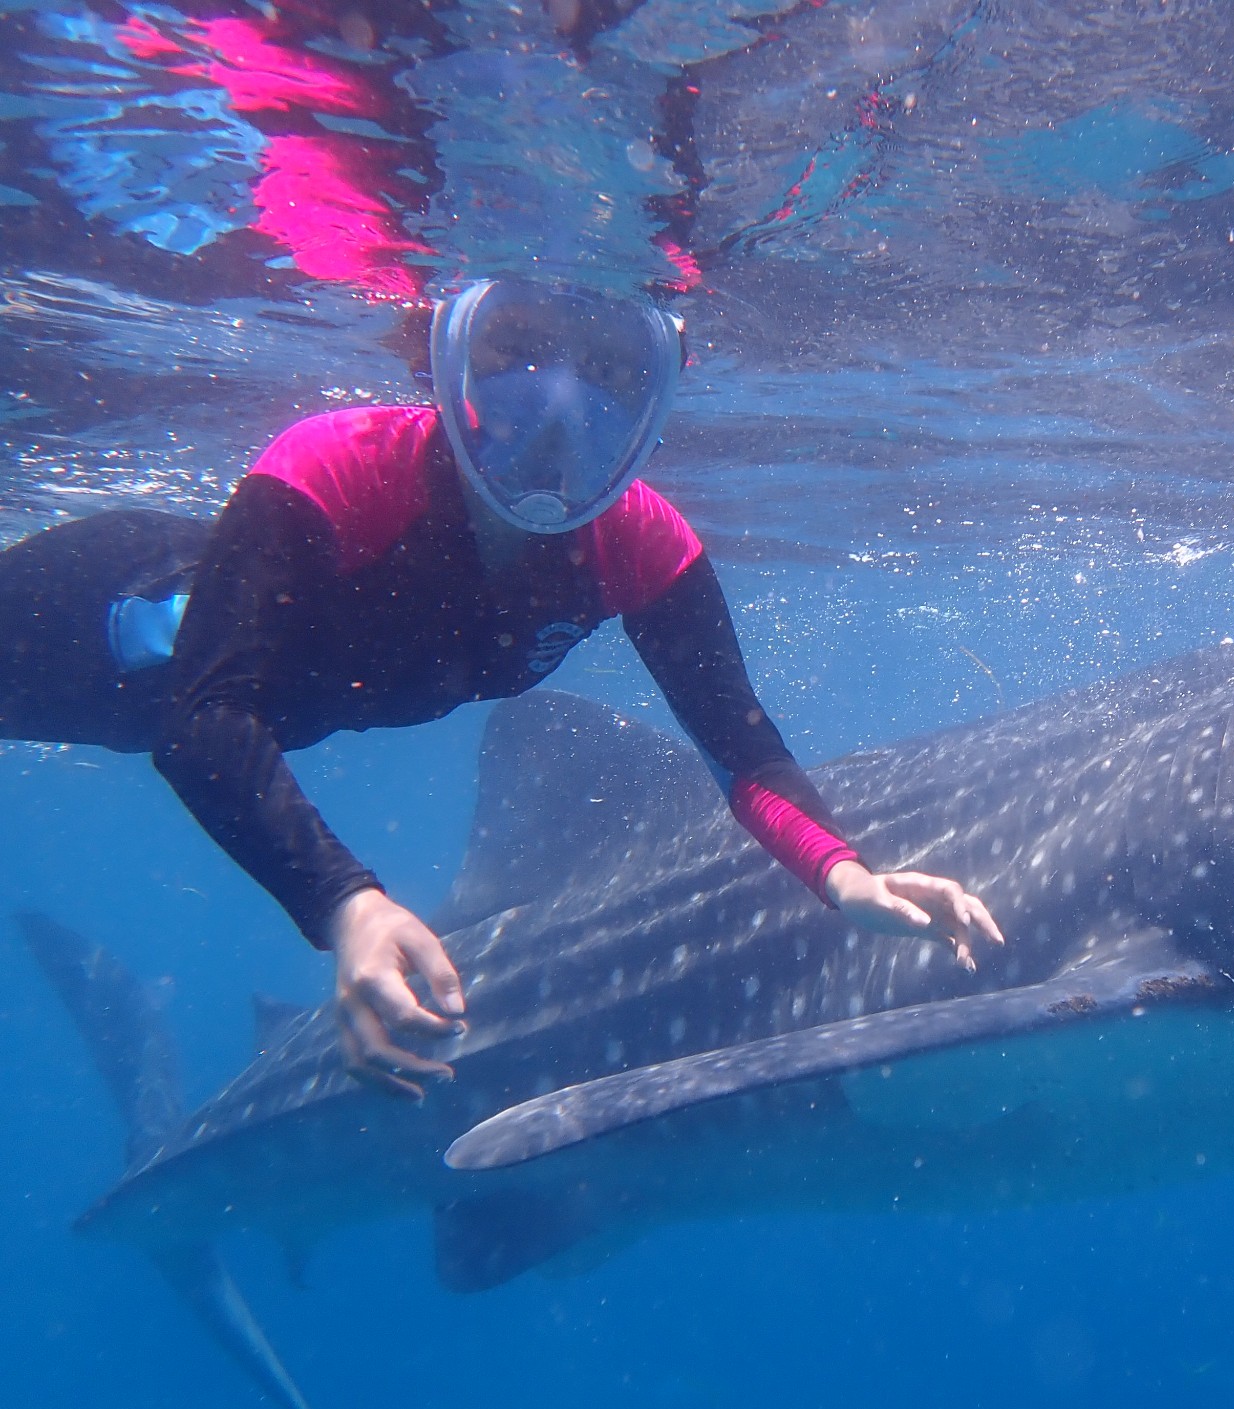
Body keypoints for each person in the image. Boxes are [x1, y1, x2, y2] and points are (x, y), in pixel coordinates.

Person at [0, 276, 1003, 1098]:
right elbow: (206, 717)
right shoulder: (336, 467)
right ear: (446, 356)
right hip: (86, 628)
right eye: (516, 348)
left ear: (659, 397)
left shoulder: (642, 544)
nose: (561, 402)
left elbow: (744, 754)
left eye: (612, 370)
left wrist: (844, 875)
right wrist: (347, 907)